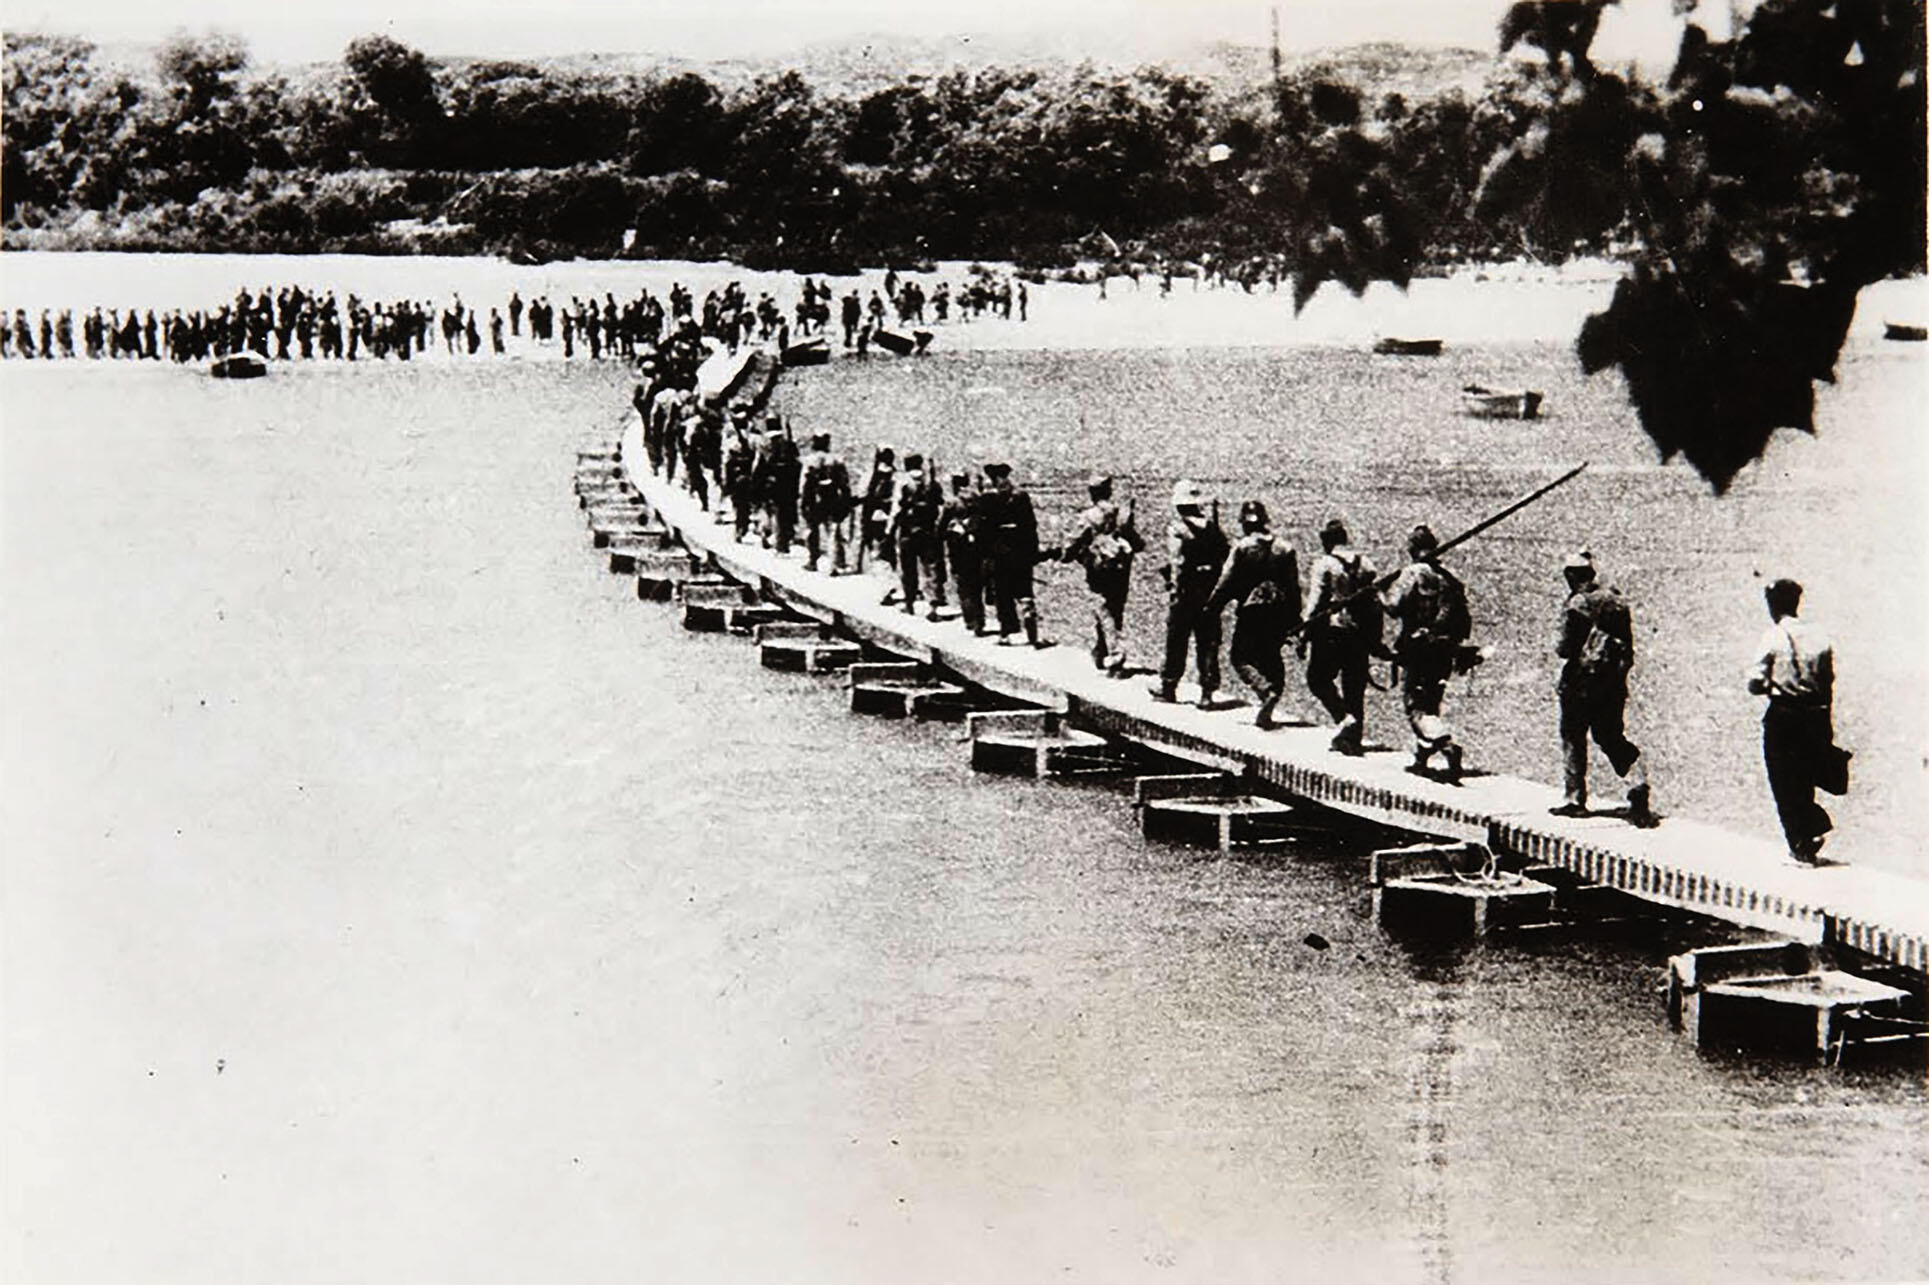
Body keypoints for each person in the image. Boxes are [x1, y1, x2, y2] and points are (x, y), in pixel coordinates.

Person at [1551, 550, 1654, 824]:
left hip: (1580, 682)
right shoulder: (1616, 600)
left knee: (1573, 736)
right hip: (1612, 683)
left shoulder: (1577, 603)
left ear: (1571, 575)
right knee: (1610, 736)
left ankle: (1574, 799)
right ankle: (1636, 783)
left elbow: (1564, 648)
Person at [1746, 578, 1843, 864]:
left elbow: (1754, 682)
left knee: (1783, 778)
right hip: (1815, 714)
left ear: (1773, 605)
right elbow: (1827, 680)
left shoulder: (1773, 637)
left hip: (1783, 715)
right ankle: (1810, 827)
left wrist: (1770, 686)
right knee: (1805, 775)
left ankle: (1800, 841)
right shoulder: (1820, 638)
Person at [1382, 524, 1469, 782]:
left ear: (1412, 548)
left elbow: (1394, 607)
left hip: (1418, 647)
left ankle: (1445, 743)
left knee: (1415, 706)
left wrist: (1380, 591)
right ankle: (1422, 757)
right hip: (1444, 647)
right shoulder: (1449, 578)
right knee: (1432, 702)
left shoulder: (1414, 573)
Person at [1207, 500, 1301, 727]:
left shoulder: (1243, 547)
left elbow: (1226, 581)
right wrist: (1295, 616)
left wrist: (1213, 605)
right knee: (1272, 656)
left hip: (1252, 607)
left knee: (1240, 657)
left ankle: (1263, 689)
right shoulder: (1285, 548)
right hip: (1278, 608)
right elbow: (1293, 586)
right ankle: (1271, 701)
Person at [1302, 517, 1381, 754]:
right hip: (1359, 633)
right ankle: (1353, 740)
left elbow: (1315, 604)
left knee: (1317, 679)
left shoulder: (1324, 564)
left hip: (1332, 631)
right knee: (1354, 687)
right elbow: (1374, 603)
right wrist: (1375, 639)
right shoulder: (1366, 564)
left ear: (1326, 542)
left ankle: (1342, 718)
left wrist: (1305, 631)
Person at [1058, 475, 1144, 674]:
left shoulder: (1089, 516)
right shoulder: (1122, 515)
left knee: (1102, 608)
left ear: (1092, 492)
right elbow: (1138, 543)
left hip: (1098, 570)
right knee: (1114, 609)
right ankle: (1101, 651)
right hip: (1121, 569)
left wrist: (1064, 556)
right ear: (1109, 490)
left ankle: (1115, 655)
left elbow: (1074, 543)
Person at [1155, 480, 1230, 705]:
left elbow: (1177, 562)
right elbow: (1225, 556)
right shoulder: (1213, 528)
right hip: (1208, 591)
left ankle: (1169, 686)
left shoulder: (1178, 529)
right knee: (1208, 642)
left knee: (1177, 640)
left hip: (1187, 591)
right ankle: (1207, 693)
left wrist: (1175, 590)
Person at [977, 462, 1047, 647]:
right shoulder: (1021, 496)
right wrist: (1033, 550)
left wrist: (985, 552)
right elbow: (1031, 525)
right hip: (1021, 548)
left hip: (999, 550)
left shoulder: (988, 498)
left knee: (1003, 592)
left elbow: (983, 529)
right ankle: (1027, 610)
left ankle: (1007, 632)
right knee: (1024, 586)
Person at [890, 453, 948, 618]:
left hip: (908, 530)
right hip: (928, 530)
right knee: (930, 568)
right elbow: (940, 504)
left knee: (908, 568)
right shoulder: (930, 482)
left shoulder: (903, 482)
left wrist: (890, 531)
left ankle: (909, 603)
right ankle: (933, 606)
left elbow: (896, 509)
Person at [800, 432, 853, 574]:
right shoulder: (837, 460)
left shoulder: (810, 460)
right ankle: (836, 563)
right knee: (833, 532)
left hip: (814, 501)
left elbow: (804, 484)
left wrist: (803, 502)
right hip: (832, 499)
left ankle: (812, 561)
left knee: (812, 531)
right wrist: (846, 501)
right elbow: (844, 483)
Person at [940, 471, 987, 635]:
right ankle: (980, 620)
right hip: (977, 548)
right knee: (977, 586)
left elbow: (941, 526)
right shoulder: (977, 498)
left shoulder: (952, 503)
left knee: (963, 586)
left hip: (958, 549)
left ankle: (971, 621)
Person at [722, 418, 758, 541]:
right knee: (743, 507)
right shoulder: (751, 440)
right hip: (744, 479)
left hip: (740, 479)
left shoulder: (734, 442)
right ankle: (741, 529)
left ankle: (741, 530)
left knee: (741, 507)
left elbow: (728, 464)